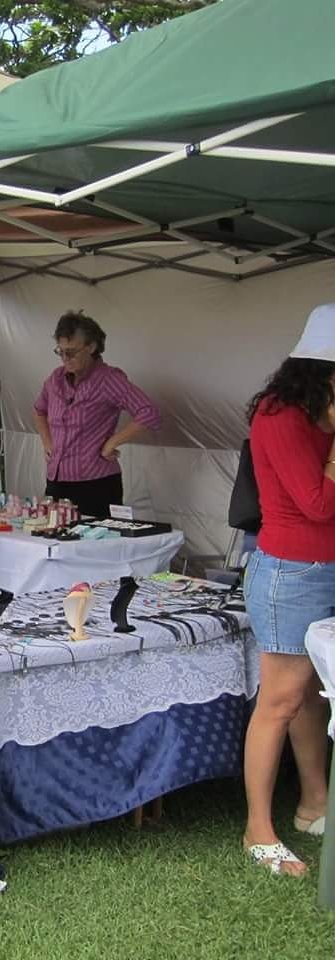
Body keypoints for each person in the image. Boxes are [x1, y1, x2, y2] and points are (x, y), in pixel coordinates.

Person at [241, 303, 335, 877]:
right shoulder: (281, 418)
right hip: (291, 573)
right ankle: (258, 829)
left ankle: (313, 803)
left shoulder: (314, 414)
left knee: (312, 694)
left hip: (319, 567)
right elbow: (318, 504)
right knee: (278, 700)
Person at [32, 310, 160, 518]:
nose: (65, 358)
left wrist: (113, 442)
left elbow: (148, 412)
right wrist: (47, 442)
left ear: (91, 346)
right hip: (56, 481)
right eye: (60, 351)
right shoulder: (55, 379)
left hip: (95, 484)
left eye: (72, 352)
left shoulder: (109, 379)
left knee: (96, 545)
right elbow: (38, 411)